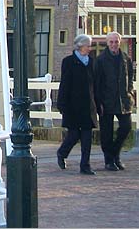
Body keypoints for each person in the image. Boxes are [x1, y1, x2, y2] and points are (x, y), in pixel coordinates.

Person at [56, 34, 98, 175]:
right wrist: (62, 104)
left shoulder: (91, 62)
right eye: (88, 45)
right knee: (73, 135)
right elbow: (65, 84)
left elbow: (95, 85)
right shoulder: (68, 62)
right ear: (80, 46)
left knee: (87, 137)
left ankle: (85, 165)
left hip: (88, 106)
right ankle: (62, 153)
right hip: (72, 106)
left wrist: (98, 103)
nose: (89, 48)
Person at [96, 31, 134, 172]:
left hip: (123, 100)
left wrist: (129, 92)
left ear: (120, 42)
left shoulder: (125, 58)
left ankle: (115, 154)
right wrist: (99, 101)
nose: (114, 44)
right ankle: (109, 160)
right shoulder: (100, 60)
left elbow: (130, 77)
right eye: (111, 42)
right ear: (107, 43)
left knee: (126, 127)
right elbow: (97, 82)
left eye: (116, 42)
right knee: (106, 132)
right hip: (106, 100)